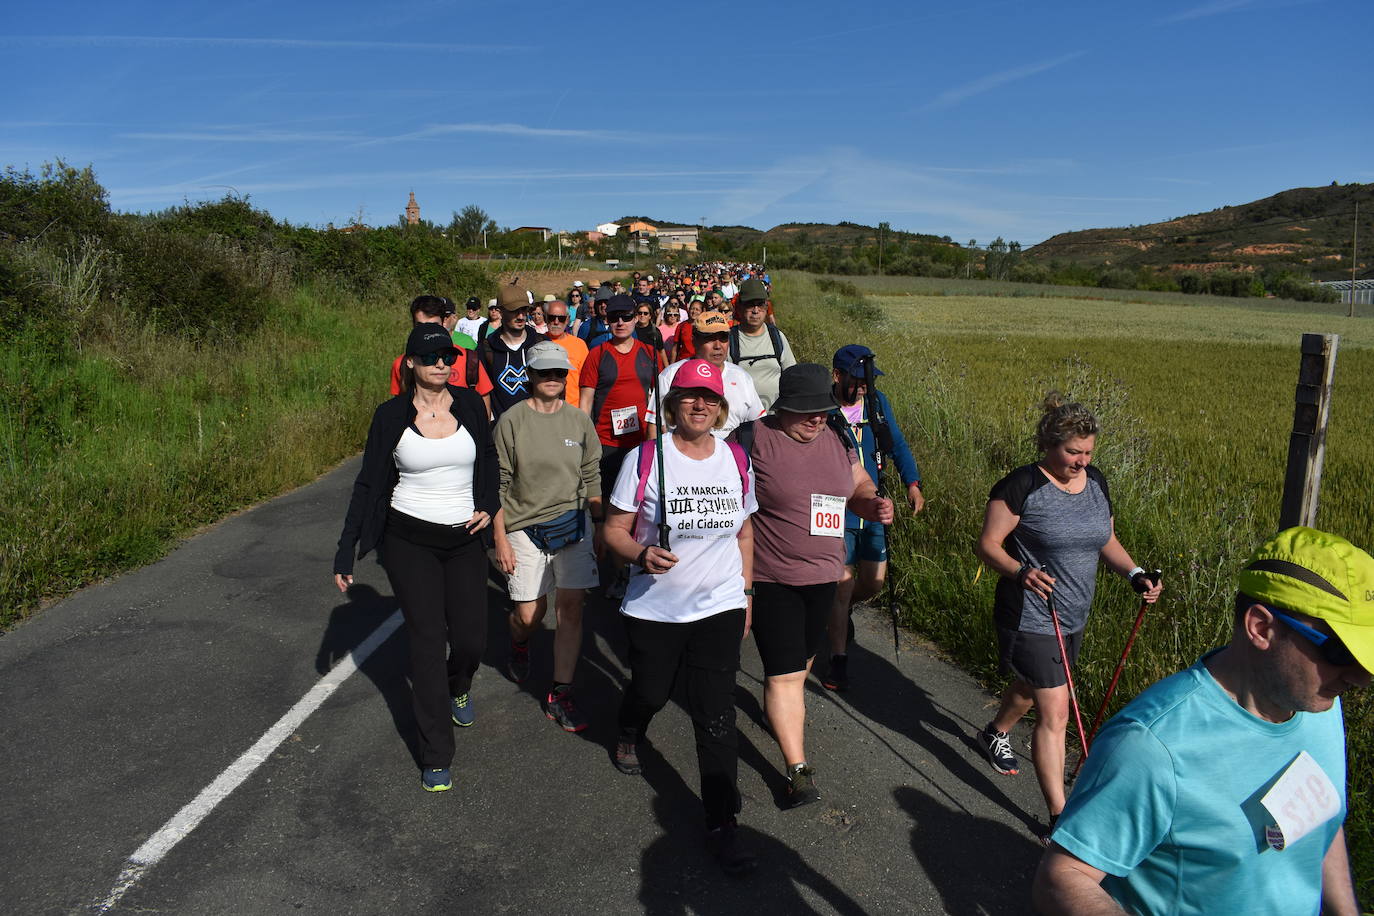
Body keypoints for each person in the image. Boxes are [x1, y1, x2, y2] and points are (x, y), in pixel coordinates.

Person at [1033, 526, 1371, 916]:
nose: (1360, 677)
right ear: (1261, 627)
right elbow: (1062, 875)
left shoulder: (1321, 702)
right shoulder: (1151, 747)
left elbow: (1319, 818)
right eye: (1343, 652)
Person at [973, 392, 1162, 838]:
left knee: (1032, 686)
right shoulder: (1020, 486)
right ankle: (1061, 818)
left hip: (1075, 612)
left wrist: (1135, 573)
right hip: (1031, 613)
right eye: (1073, 452)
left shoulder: (1095, 481)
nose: (1081, 461)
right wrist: (1022, 572)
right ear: (1048, 445)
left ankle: (994, 732)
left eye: (1088, 452)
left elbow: (1104, 539)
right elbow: (987, 546)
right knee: (1055, 712)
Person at [602, 359, 759, 876]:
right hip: (654, 608)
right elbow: (615, 531)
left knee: (716, 715)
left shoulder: (736, 458)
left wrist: (746, 590)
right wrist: (640, 555)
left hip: (718, 604)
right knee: (650, 690)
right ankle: (629, 729)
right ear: (671, 405)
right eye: (689, 397)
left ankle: (722, 821)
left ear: (721, 408)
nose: (699, 405)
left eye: (709, 398)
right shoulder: (647, 457)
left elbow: (744, 533)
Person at [333, 323, 498, 793]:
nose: (442, 364)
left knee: (470, 640)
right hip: (409, 540)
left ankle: (458, 683)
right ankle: (436, 754)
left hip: (465, 538)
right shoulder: (390, 416)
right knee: (427, 641)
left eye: (448, 356)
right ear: (410, 363)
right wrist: (346, 549)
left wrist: (488, 505)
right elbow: (368, 484)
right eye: (431, 358)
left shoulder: (469, 404)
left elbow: (488, 459)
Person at [748, 364, 894, 807]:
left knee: (802, 664)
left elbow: (858, 483)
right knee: (787, 674)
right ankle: (798, 770)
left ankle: (783, 708)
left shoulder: (837, 436)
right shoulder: (753, 438)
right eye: (805, 411)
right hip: (771, 577)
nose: (816, 418)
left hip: (824, 578)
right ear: (782, 407)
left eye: (823, 409)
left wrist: (872, 505)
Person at [491, 341, 601, 733]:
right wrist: (500, 537)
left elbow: (591, 473)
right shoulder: (511, 421)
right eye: (545, 373)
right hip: (523, 526)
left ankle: (560, 693)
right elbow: (498, 484)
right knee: (528, 614)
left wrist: (600, 523)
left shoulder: (578, 421)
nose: (553, 379)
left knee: (569, 610)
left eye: (559, 373)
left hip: (573, 524)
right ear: (530, 376)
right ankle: (519, 642)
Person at [822, 344, 925, 691]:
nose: (866, 384)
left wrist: (913, 484)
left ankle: (837, 611)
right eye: (859, 378)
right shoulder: (821, 408)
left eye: (870, 378)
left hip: (873, 506)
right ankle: (838, 660)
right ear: (838, 376)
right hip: (836, 509)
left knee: (873, 582)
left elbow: (897, 444)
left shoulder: (878, 405)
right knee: (842, 583)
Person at [579, 294, 658, 503]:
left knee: (639, 502)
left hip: (641, 441)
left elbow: (659, 399)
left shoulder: (649, 353)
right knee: (606, 503)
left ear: (635, 319)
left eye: (626, 317)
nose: (620, 322)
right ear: (608, 320)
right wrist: (585, 440)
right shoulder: (596, 354)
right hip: (605, 442)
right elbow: (585, 401)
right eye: (615, 318)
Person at [643, 312, 764, 441]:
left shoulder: (742, 377)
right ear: (694, 340)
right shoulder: (671, 375)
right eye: (710, 338)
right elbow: (654, 425)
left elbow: (758, 425)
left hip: (731, 457)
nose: (718, 346)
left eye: (723, 338)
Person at [388, 295, 492, 418]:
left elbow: (484, 407)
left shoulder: (469, 359)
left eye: (434, 325)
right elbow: (399, 410)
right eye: (421, 326)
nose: (427, 332)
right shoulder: (402, 364)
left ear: (444, 322)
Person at [476, 283, 546, 421]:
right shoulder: (485, 349)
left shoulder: (542, 345)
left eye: (524, 310)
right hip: (502, 433)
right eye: (514, 311)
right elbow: (481, 395)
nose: (521, 316)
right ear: (501, 312)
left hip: (539, 430)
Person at [728, 278, 796, 410]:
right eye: (750, 304)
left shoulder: (777, 337)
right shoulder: (729, 339)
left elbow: (791, 375)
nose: (755, 310)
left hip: (775, 418)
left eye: (760, 304)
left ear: (766, 307)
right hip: (741, 419)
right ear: (740, 308)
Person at [543, 298, 588, 408]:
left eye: (561, 318)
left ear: (567, 320)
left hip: (574, 411)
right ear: (545, 318)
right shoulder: (537, 343)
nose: (556, 322)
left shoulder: (579, 345)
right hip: (544, 411)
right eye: (552, 317)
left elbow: (587, 383)